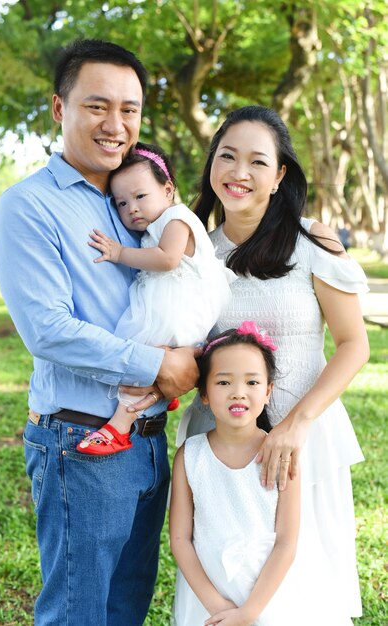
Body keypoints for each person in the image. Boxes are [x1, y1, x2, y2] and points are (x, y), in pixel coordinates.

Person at [0, 39, 199, 626]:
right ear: (61, 109)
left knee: (126, 607)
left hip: (149, 442)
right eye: (97, 106)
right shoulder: (29, 206)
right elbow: (48, 330)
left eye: (129, 109)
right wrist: (158, 365)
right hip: (81, 443)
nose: (116, 124)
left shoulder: (133, 202)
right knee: (79, 614)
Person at [176, 105, 370, 618]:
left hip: (304, 440)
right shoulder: (195, 255)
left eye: (258, 162)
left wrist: (294, 426)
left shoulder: (313, 241)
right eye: (227, 156)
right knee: (225, 578)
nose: (240, 173)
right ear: (211, 164)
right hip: (224, 451)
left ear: (280, 174)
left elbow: (355, 344)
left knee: (305, 587)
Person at [170, 323, 354, 626]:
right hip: (210, 590)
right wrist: (216, 605)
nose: (238, 393)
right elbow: (180, 538)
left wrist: (249, 612)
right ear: (203, 393)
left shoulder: (281, 455)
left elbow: (286, 542)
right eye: (224, 383)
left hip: (274, 590)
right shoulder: (190, 456)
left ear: (268, 391)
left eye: (252, 383)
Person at [76, 142, 234, 455]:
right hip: (176, 309)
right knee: (146, 360)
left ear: (167, 189)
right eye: (121, 203)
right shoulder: (157, 225)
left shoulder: (176, 218)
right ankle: (161, 394)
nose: (131, 208)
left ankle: (118, 428)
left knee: (138, 353)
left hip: (181, 311)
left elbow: (167, 259)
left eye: (140, 196)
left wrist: (120, 253)